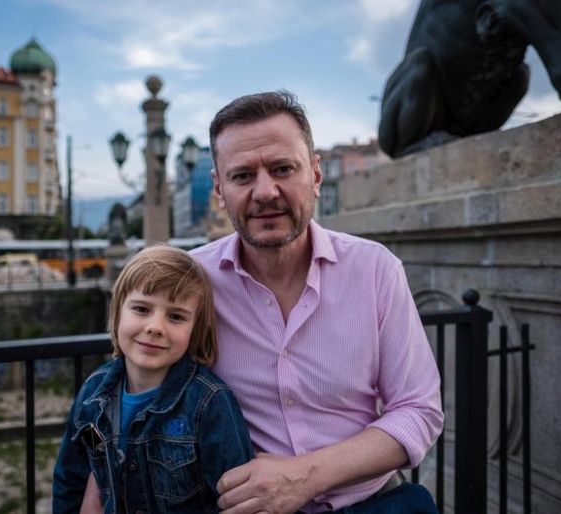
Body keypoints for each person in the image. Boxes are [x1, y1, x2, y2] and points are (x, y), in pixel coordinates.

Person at [190, 91, 444, 514]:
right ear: (220, 188)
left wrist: (305, 476)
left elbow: (419, 410)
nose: (265, 192)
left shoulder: (374, 269)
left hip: (374, 504)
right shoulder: (191, 281)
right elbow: (128, 392)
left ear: (316, 174)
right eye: (243, 176)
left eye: (282, 169)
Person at [53, 245, 254, 513]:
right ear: (118, 312)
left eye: (176, 316)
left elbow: (238, 500)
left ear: (194, 329)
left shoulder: (209, 404)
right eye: (141, 309)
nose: (156, 327)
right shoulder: (92, 394)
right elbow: (70, 479)